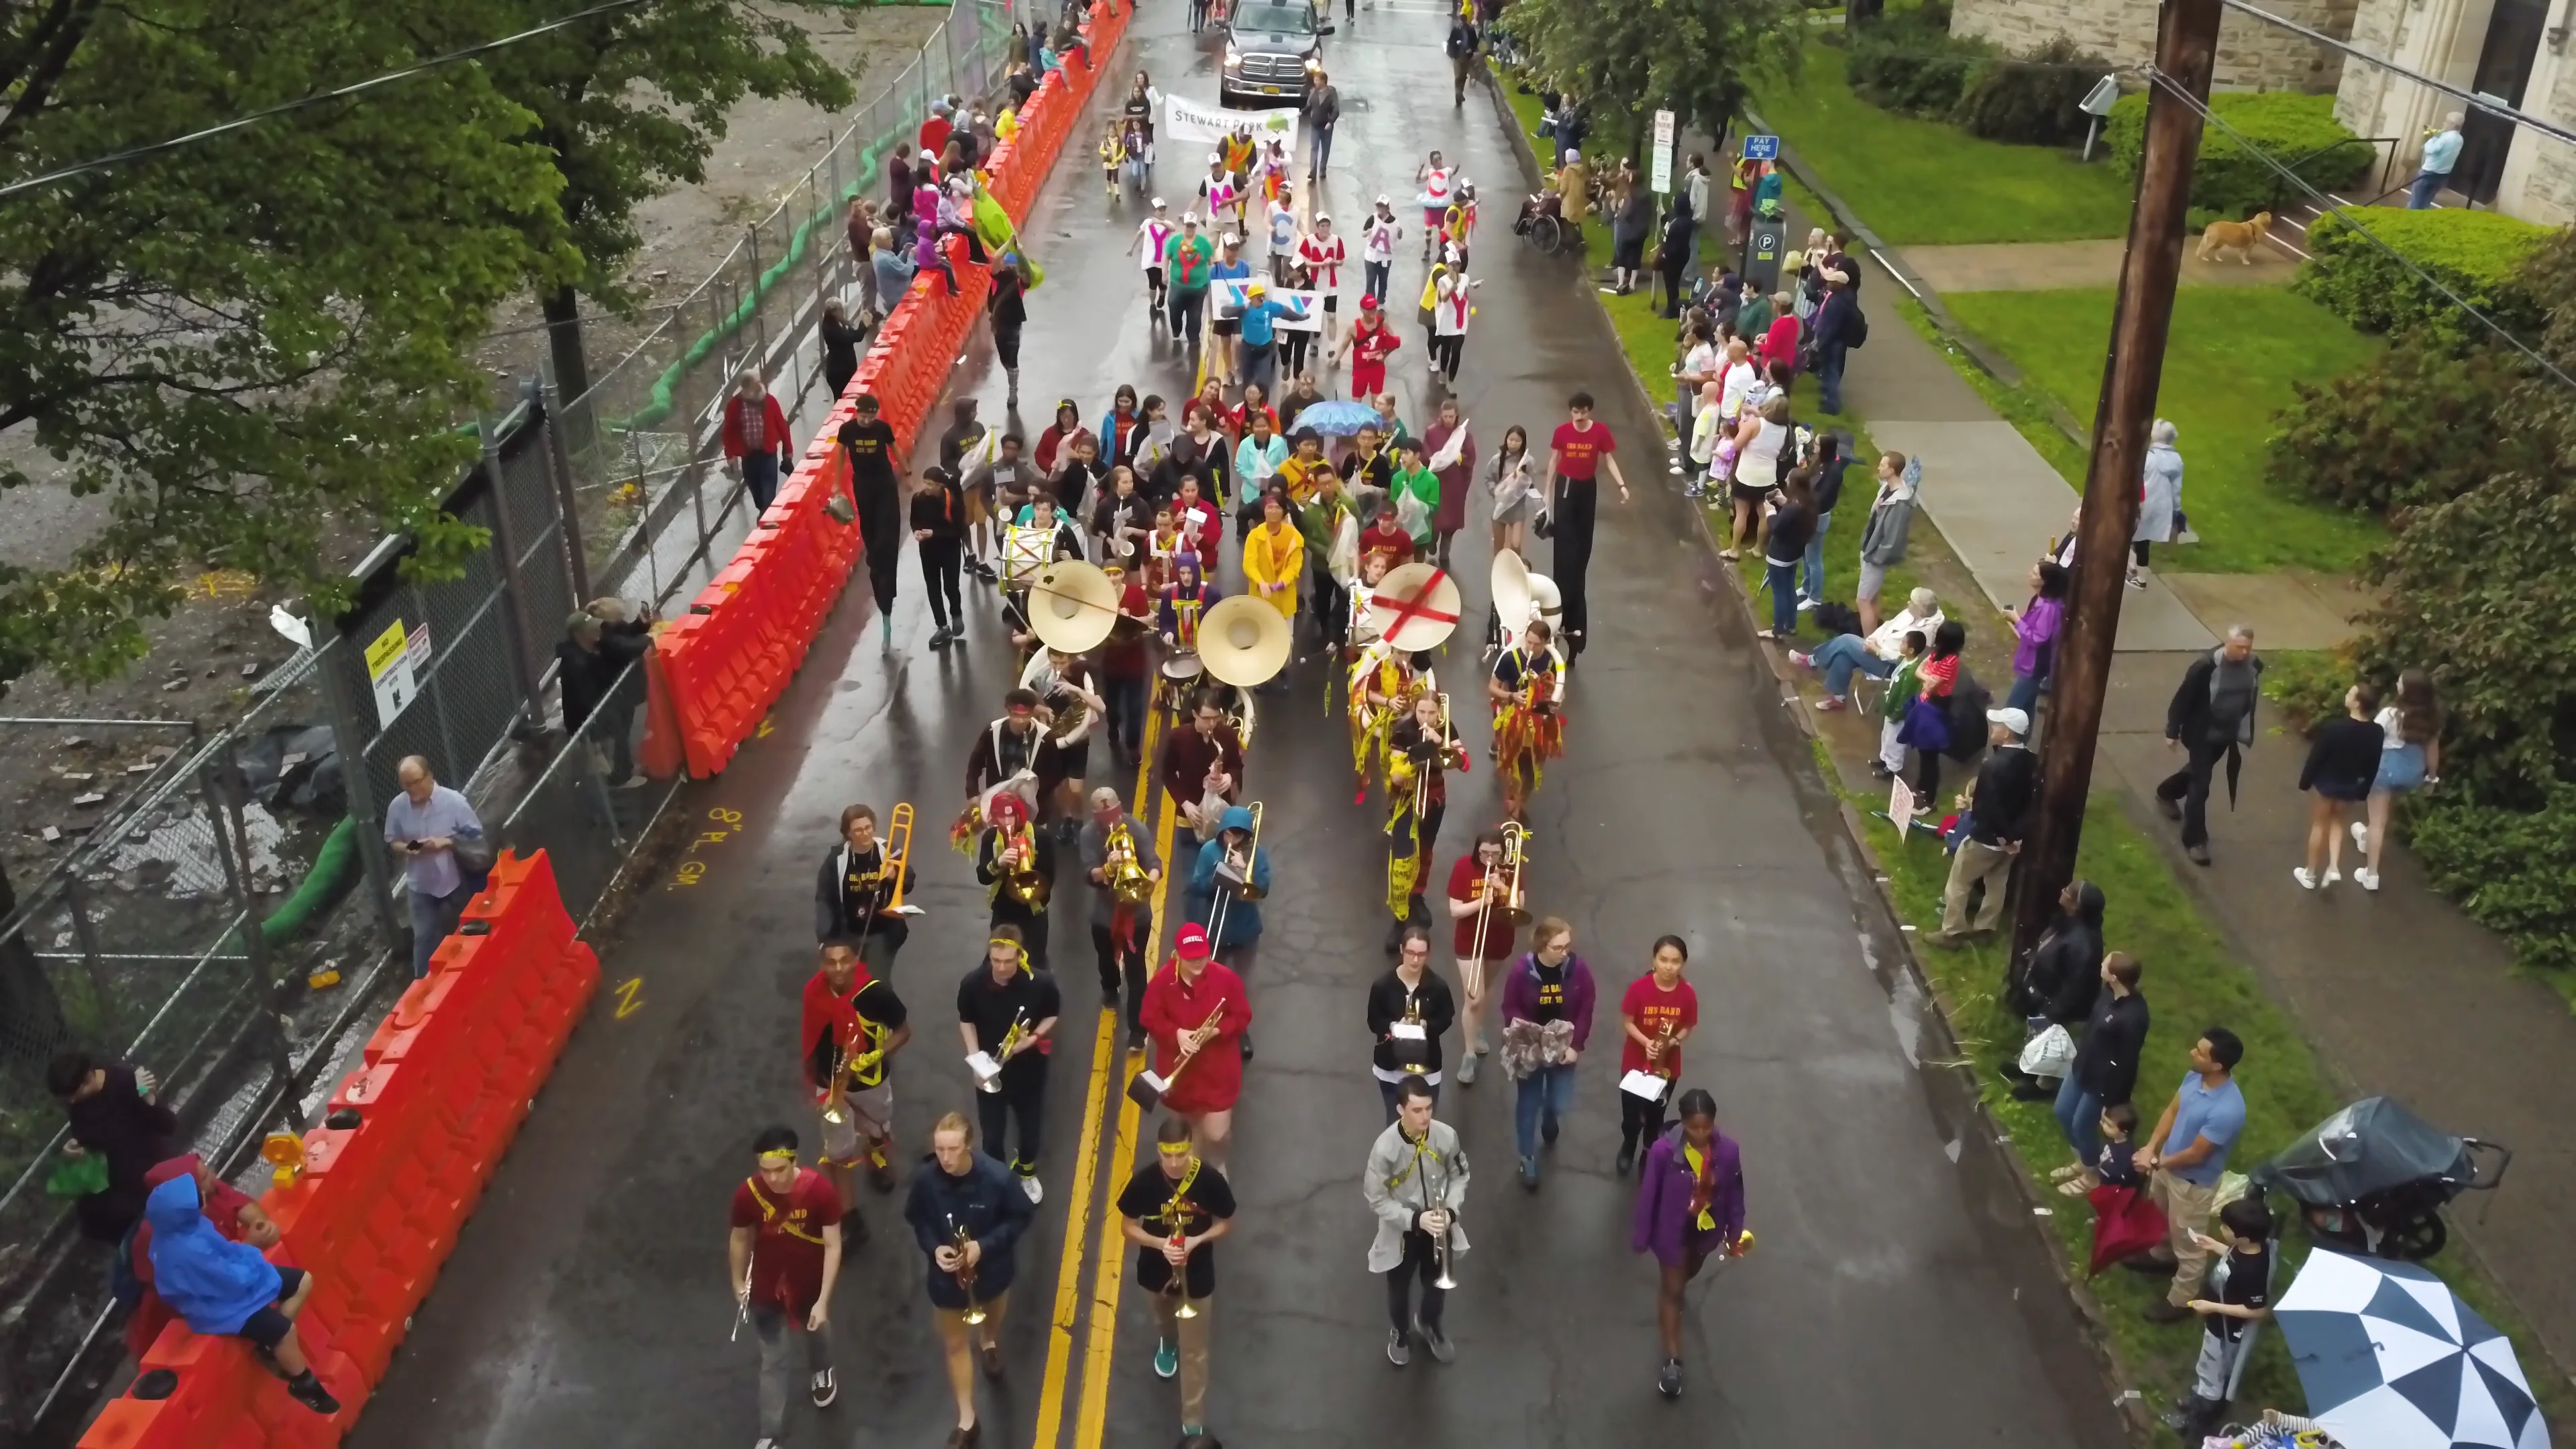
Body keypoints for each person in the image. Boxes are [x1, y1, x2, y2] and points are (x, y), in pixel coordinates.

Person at [142, 1174, 341, 1413]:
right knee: (284, 1331)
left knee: (303, 1281)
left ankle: (270, 1348)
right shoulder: (190, 1250)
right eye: (198, 1198)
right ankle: (304, 1383)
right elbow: (231, 1279)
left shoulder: (187, 1228)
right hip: (220, 1307)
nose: (205, 1196)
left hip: (234, 1284)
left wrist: (247, 1256)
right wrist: (253, 1253)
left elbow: (225, 1259)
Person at [904, 1112, 1035, 1448]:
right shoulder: (925, 1180)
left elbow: (1021, 1217)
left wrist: (984, 1246)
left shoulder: (998, 1178)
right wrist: (934, 1249)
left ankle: (989, 1341)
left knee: (993, 1314)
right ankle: (967, 1419)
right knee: (954, 1344)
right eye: (939, 1149)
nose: (945, 1158)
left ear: (969, 1146)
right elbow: (918, 1221)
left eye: (953, 1149)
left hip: (991, 1271)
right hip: (947, 1281)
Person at [1117, 1116, 1238, 1440]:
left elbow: (1227, 1222)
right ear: (1158, 1151)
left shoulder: (1210, 1181)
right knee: (1162, 1319)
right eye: (1167, 1155)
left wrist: (1198, 1240)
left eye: (1180, 1154)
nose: (1173, 1163)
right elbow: (1127, 1225)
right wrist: (1160, 1244)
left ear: (1191, 1149)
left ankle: (1193, 1417)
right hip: (1155, 1270)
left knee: (1195, 1351)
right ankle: (1167, 1341)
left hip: (1196, 1275)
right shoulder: (1144, 1182)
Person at [729, 1126, 846, 1447]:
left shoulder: (820, 1191)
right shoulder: (748, 1194)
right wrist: (738, 1281)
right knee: (773, 1361)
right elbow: (739, 1238)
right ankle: (770, 1433)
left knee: (818, 1331)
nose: (772, 1179)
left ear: (794, 1160)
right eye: (765, 1171)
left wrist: (823, 1300)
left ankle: (822, 1370)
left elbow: (833, 1245)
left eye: (779, 1170)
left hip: (809, 1285)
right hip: (767, 1290)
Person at [1629, 1088, 1746, 1399]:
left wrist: (1735, 1232)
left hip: (1704, 1233)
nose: (1701, 1134)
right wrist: (1641, 1236)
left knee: (1688, 1273)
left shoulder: (1728, 1152)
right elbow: (1648, 1196)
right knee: (1673, 1290)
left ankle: (1676, 1289)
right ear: (1682, 1124)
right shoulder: (1663, 1152)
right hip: (1671, 1232)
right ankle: (1672, 1361)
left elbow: (1735, 1192)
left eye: (1706, 1127)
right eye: (1694, 1127)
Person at [2132, 1027, 2249, 1323]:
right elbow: (2173, 1111)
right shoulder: (2194, 1078)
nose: (2191, 1054)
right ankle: (2161, 1256)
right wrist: (2151, 1147)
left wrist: (2158, 1163)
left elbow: (2198, 1154)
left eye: (2199, 1053)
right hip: (2167, 1167)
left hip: (2191, 1184)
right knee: (2160, 1217)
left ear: (2218, 1065)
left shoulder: (2228, 1110)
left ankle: (2181, 1301)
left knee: (2191, 1245)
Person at [801, 938, 911, 1218]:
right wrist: (816, 1080)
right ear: (822, 964)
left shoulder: (877, 994)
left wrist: (877, 1055)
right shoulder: (814, 994)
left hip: (870, 1081)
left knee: (878, 1125)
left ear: (856, 960)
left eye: (844, 960)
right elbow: (811, 1037)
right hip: (831, 1084)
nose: (838, 969)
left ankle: (877, 1159)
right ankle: (848, 1213)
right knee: (839, 1150)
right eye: (831, 962)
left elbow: (903, 1031)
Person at [1363, 1076, 1468, 1368]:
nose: (1425, 1117)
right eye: (1417, 1110)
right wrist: (1414, 1220)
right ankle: (1400, 1332)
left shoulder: (1446, 1136)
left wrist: (1450, 1211)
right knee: (1399, 1288)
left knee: (1437, 1286)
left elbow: (1460, 1174)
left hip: (1439, 1224)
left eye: (1429, 1109)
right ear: (1400, 1109)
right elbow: (1377, 1199)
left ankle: (1430, 1323)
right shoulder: (1384, 1149)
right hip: (1403, 1233)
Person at [957, 927, 1061, 1202]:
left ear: (1020, 954)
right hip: (990, 1071)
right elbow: (966, 1021)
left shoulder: (1041, 983)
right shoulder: (972, 984)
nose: (1002, 968)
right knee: (991, 1137)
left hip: (1029, 1071)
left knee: (1030, 1134)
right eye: (996, 960)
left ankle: (1026, 1170)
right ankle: (997, 1180)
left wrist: (1033, 1038)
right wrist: (976, 1059)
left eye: (1009, 961)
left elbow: (1052, 1015)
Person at [1140, 923, 1252, 1163]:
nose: (1199, 962)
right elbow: (1149, 1017)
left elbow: (1242, 1016)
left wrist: (1216, 1031)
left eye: (1202, 956)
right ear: (1178, 955)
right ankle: (1195, 1169)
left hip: (1217, 1071)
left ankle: (1217, 1164)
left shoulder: (1226, 979)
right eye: (1191, 958)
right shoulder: (1162, 983)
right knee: (1188, 1128)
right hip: (1181, 1073)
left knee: (1217, 1134)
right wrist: (1177, 1033)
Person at [1499, 916, 1595, 1189]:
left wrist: (1576, 1046)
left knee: (1558, 1102)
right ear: (1542, 945)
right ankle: (1527, 1156)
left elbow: (1586, 1007)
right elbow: (1510, 1007)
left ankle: (1550, 1116)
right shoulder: (1521, 972)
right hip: (1531, 1049)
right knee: (1528, 1103)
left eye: (1567, 946)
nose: (1565, 953)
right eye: (1558, 947)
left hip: (1563, 1048)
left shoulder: (1578, 970)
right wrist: (1528, 1035)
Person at [2155, 627, 2263, 867]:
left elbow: (2249, 697)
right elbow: (2182, 699)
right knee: (2201, 785)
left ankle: (2167, 792)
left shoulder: (2255, 666)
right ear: (2227, 643)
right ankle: (2195, 841)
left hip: (2226, 733)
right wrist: (2172, 731)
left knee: (2196, 771)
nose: (2244, 653)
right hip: (2201, 733)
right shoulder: (2205, 667)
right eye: (2239, 647)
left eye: (2248, 647)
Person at [1931, 707, 2037, 945]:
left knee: (1959, 882)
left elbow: (1986, 808)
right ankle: (1985, 929)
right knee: (1997, 883)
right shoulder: (2031, 760)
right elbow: (2032, 802)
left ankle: (1953, 932)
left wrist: (2004, 838)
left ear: (2008, 733)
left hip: (1989, 838)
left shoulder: (1994, 767)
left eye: (1998, 725)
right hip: (2015, 839)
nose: (1993, 728)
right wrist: (2016, 838)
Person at [2172, 1197, 2275, 1440]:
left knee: (2213, 1368)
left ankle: (2201, 1417)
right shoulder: (2245, 1249)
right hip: (2216, 1324)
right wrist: (2216, 1246)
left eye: (2226, 1229)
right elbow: (2234, 1260)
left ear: (2244, 1238)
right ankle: (2201, 1394)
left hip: (2226, 1330)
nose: (2221, 1229)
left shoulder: (2253, 1271)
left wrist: (2212, 1306)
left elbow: (2257, 1310)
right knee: (2206, 1365)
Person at [48, 1051, 178, 1242]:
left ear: (88, 1078)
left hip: (155, 1175)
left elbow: (167, 1125)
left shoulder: (125, 1082)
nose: (72, 1102)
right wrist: (75, 1152)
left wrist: (148, 1100)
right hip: (124, 1191)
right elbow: (90, 1143)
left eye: (74, 1095)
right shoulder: (79, 1107)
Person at [2004, 879, 2106, 1105]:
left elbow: (2076, 985)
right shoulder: (2069, 923)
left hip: (2058, 1003)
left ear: (2078, 906)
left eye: (2069, 892)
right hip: (2044, 994)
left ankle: (2043, 1086)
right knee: (2035, 1034)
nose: (2063, 890)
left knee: (2051, 1042)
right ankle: (2028, 1068)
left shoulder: (2083, 945)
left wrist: (2055, 1011)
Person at [385, 755, 486, 979]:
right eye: (406, 784)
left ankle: (480, 969)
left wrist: (448, 842)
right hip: (420, 883)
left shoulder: (454, 802)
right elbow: (394, 841)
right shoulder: (398, 807)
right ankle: (422, 986)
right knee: (424, 936)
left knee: (471, 924)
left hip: (453, 877)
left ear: (430, 776)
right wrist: (411, 848)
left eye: (417, 781)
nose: (412, 789)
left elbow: (476, 836)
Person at [1542, 392, 1628, 653]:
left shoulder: (1600, 432)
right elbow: (1554, 460)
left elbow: (1609, 459)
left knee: (1584, 540)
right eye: (1575, 412)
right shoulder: (1563, 432)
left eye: (1583, 412)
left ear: (1590, 412)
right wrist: (1547, 492)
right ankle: (1564, 584)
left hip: (1587, 487)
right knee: (1566, 539)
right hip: (1566, 486)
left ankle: (1577, 578)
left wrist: (1622, 485)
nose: (1579, 417)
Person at [1080, 787, 1164, 1044]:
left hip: (1135, 912)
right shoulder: (1088, 834)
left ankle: (1138, 1031)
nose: (1111, 821)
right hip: (1105, 911)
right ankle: (1109, 984)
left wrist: (1147, 884)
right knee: (1105, 956)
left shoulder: (1136, 828)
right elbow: (1088, 872)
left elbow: (1154, 862)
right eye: (1103, 817)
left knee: (1137, 969)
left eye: (1114, 814)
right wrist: (1107, 867)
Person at [2052, 951, 2147, 1175]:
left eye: (2106, 964)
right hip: (2082, 1066)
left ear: (2114, 976)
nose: (2101, 964)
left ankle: (2091, 1172)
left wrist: (2114, 1098)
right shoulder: (2107, 993)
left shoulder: (2135, 1017)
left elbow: (2127, 1060)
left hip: (2102, 1082)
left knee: (2082, 1125)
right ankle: (2083, 1160)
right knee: (2062, 1111)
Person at [2352, 669, 2442, 892]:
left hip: (2383, 772)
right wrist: (2431, 777)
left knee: (2378, 822)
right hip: (2411, 774)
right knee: (2384, 817)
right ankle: (2365, 838)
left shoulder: (2390, 714)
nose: (2397, 684)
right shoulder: (2432, 718)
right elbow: (2433, 749)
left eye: (2400, 682)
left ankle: (2371, 874)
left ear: (2407, 690)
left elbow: (2371, 740)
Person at [1615, 935, 1698, 1175]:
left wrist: (1670, 1043)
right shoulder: (1639, 989)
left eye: (1676, 961)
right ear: (1654, 960)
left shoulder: (1687, 994)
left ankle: (1648, 1154)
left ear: (1683, 964)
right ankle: (1629, 1145)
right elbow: (1628, 1022)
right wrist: (1647, 1042)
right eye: (1664, 960)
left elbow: (1687, 1028)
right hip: (1635, 1064)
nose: (1669, 966)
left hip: (1666, 1069)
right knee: (1631, 1114)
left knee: (1655, 1115)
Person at [1793, 585, 1941, 712]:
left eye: (1913, 602)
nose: (1908, 602)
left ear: (1921, 611)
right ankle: (1838, 698)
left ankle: (1813, 661)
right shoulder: (1911, 613)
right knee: (1844, 654)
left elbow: (1907, 660)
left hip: (1889, 666)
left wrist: (1878, 652)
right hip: (1875, 648)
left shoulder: (1925, 634)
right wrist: (1872, 640)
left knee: (1846, 641)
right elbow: (1887, 626)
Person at [2295, 683, 2383, 891]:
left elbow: (2316, 757)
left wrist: (2305, 781)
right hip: (2350, 786)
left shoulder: (2334, 728)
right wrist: (2364, 790)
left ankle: (2310, 873)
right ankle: (2333, 867)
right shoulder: (2376, 732)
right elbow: (2374, 764)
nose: (2347, 695)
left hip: (2325, 784)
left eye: (2351, 694)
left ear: (2357, 703)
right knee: (2338, 824)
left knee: (2319, 825)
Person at [1444, 829, 1517, 1083]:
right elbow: (1455, 910)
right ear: (1477, 849)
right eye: (1484, 852)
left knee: (1485, 989)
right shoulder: (1463, 867)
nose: (1489, 858)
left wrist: (1503, 890)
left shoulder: (1511, 869)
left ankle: (1477, 1029)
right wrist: (1482, 902)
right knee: (1474, 998)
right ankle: (1468, 1054)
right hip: (1469, 941)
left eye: (1495, 854)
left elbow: (1518, 905)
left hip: (1499, 939)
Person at [555, 601, 653, 784]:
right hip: (589, 719)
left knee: (622, 724)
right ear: (580, 634)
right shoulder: (575, 663)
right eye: (592, 629)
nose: (599, 631)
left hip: (602, 707)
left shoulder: (589, 649)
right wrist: (607, 706)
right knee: (619, 730)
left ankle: (619, 772)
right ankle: (620, 779)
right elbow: (583, 698)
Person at [1368, 927, 1458, 1120]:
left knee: (1424, 1121)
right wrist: (1393, 1027)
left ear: (1428, 954)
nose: (1416, 960)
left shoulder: (1438, 987)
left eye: (1421, 954)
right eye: (1411, 953)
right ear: (1402, 950)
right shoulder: (1383, 986)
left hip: (1427, 1065)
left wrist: (1426, 1026)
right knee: (1395, 1120)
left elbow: (1446, 1019)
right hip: (1390, 1066)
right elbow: (1374, 1021)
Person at [840, 392, 907, 648]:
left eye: (871, 414)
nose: (867, 419)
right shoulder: (847, 431)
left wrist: (907, 472)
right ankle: (876, 562)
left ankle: (887, 585)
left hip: (884, 482)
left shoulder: (882, 429)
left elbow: (895, 450)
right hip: (863, 484)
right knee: (869, 529)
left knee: (886, 534)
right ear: (857, 412)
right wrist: (837, 487)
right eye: (863, 414)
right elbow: (839, 456)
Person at [813, 802, 917, 969]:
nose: (865, 834)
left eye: (868, 827)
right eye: (858, 830)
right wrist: (825, 938)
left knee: (876, 982)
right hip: (848, 934)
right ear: (848, 834)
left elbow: (908, 884)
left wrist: (896, 876)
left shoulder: (889, 850)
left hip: (883, 933)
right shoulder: (836, 859)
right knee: (849, 983)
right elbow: (824, 898)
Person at [1187, 806, 1271, 995]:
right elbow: (1196, 887)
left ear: (1246, 836)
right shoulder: (1209, 851)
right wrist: (1218, 874)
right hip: (1217, 928)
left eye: (1237, 837)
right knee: (1211, 980)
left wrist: (1243, 870)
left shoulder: (1256, 853)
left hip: (1246, 930)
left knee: (1240, 982)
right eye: (1227, 835)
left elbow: (1263, 889)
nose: (1231, 841)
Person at [1489, 619, 1567, 821]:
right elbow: (1492, 687)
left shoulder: (1552, 662)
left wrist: (1556, 700)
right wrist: (1512, 696)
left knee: (1532, 770)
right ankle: (1513, 803)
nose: (1531, 647)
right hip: (1514, 720)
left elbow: (1560, 690)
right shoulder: (1510, 658)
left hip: (1539, 723)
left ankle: (1519, 802)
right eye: (1528, 642)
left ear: (1546, 642)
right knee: (1512, 763)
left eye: (1536, 644)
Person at [975, 792, 1059, 971]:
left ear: (1020, 815)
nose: (1008, 822)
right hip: (1003, 910)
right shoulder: (990, 837)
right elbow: (983, 877)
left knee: (1035, 966)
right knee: (998, 963)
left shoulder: (1041, 837)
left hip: (1033, 910)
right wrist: (998, 863)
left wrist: (1025, 866)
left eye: (1012, 816)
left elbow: (1050, 878)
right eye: (1002, 817)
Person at [1160, 692, 1245, 841]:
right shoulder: (1178, 737)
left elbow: (1237, 766)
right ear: (1195, 714)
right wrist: (1185, 804)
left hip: (1220, 817)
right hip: (1191, 818)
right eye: (1206, 719)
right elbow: (1168, 774)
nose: (1212, 724)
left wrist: (1229, 777)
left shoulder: (1228, 735)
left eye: (1215, 718)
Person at [1722, 394, 1790, 564]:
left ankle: (1735, 549)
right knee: (1764, 514)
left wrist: (1741, 426)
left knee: (1742, 514)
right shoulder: (1785, 429)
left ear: (1768, 407)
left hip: (1746, 474)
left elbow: (1736, 445)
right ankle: (1758, 548)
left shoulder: (1753, 424)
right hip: (1767, 477)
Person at [1856, 451, 1917, 635]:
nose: (1879, 468)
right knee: (1872, 597)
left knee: (1863, 600)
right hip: (1869, 548)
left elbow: (1893, 536)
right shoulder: (1887, 489)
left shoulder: (1899, 503)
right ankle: (1876, 636)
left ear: (1892, 470)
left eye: (1883, 466)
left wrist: (1877, 557)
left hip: (1875, 555)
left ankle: (1868, 643)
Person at [914, 463, 971, 649]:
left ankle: (956, 613)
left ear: (940, 485)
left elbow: (959, 530)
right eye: (925, 483)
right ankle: (942, 626)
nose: (927, 488)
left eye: (931, 484)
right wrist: (916, 532)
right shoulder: (918, 499)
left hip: (950, 549)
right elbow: (914, 520)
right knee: (933, 588)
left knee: (950, 587)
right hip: (928, 550)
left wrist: (935, 534)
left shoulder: (952, 502)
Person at [723, 367, 794, 513]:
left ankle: (765, 518)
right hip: (748, 458)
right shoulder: (734, 406)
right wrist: (730, 455)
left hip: (768, 455)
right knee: (757, 494)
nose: (760, 386)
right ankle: (764, 513)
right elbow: (728, 432)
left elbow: (782, 426)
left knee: (768, 497)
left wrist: (788, 450)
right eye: (756, 383)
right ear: (746, 386)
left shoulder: (770, 401)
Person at [1757, 465, 1815, 641]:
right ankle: (1790, 625)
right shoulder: (1807, 503)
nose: (1786, 482)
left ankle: (1777, 630)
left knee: (1779, 593)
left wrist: (1770, 514)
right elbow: (1792, 516)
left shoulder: (1792, 509)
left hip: (1779, 556)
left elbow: (1777, 529)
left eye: (1788, 480)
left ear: (1794, 484)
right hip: (1794, 554)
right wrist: (1783, 501)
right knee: (1789, 589)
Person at [2003, 561, 2068, 714]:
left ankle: (2012, 738)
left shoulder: (2049, 608)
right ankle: (2021, 737)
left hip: (2033, 666)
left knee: (2012, 710)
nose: (2029, 574)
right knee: (2026, 707)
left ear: (2044, 581)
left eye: (2034, 573)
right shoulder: (2040, 599)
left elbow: (2038, 638)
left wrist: (2017, 620)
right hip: (2030, 662)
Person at [1241, 490, 1303, 638]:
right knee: (1261, 639)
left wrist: (1283, 581)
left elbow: (1295, 565)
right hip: (1261, 597)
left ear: (1284, 511)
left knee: (1285, 640)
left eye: (1277, 507)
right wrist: (1261, 582)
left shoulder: (1294, 536)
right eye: (1270, 507)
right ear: (1264, 510)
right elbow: (1249, 564)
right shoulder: (1255, 536)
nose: (1273, 511)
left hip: (1284, 599)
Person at [2132, 419, 2183, 589]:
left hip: (2145, 502)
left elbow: (2136, 480)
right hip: (2163, 505)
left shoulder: (2148, 457)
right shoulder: (2176, 460)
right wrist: (2177, 509)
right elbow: (2177, 489)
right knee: (2144, 539)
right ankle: (2137, 568)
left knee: (2137, 538)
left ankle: (2140, 578)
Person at [1808, 269, 1861, 415]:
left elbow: (1831, 326)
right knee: (1828, 371)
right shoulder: (1844, 297)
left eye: (1831, 282)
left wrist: (1820, 343)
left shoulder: (1838, 302)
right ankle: (1827, 399)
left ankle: (1832, 405)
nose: (1828, 283)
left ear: (1839, 284)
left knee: (1831, 373)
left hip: (1832, 342)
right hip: (1836, 341)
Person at [1333, 293, 1402, 402]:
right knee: (1356, 400)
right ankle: (1356, 419)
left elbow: (1394, 342)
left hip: (1377, 368)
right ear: (1362, 310)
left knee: (1377, 401)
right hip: (1360, 369)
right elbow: (1343, 346)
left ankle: (1375, 419)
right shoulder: (1354, 328)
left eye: (1374, 308)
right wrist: (1335, 359)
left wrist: (1385, 355)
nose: (1373, 311)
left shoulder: (1382, 324)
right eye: (1369, 309)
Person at [1483, 424, 1534, 561]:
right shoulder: (1496, 460)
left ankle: (1516, 569)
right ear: (1506, 440)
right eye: (1511, 440)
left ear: (1523, 442)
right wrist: (1495, 491)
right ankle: (1500, 571)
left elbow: (1530, 483)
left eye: (1517, 441)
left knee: (1516, 545)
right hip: (1499, 508)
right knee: (1498, 548)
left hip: (1517, 508)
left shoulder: (1527, 462)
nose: (1513, 443)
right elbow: (1488, 479)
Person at [1165, 212, 1218, 346]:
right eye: (1188, 225)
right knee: (1175, 310)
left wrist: (1217, 277)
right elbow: (1166, 257)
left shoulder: (1203, 243)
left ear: (1195, 226)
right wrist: (1164, 273)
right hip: (1178, 285)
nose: (1190, 228)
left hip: (1198, 287)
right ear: (1184, 225)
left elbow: (1212, 260)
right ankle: (1176, 331)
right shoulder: (1175, 241)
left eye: (1192, 225)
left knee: (1195, 315)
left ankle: (1193, 338)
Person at [1130, 199, 1179, 331]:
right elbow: (1140, 234)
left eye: (1164, 209)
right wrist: (1132, 248)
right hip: (1150, 260)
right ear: (1154, 211)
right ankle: (1152, 304)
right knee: (1153, 283)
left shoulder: (1167, 224)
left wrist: (1161, 222)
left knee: (1162, 284)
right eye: (1159, 209)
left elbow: (1173, 229)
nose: (1162, 212)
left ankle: (1162, 295)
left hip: (1162, 261)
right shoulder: (1147, 223)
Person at [2408, 111, 2465, 209]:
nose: (2444, 123)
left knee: (2416, 200)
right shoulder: (2460, 139)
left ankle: (2410, 217)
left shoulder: (2446, 137)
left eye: (2447, 122)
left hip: (2428, 173)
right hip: (2442, 175)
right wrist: (2437, 135)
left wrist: (2431, 138)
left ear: (2454, 125)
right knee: (2426, 201)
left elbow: (2430, 150)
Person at [1428, 268, 1473, 384]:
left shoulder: (1465, 278)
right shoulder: (1443, 281)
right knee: (1446, 350)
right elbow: (1443, 297)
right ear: (1448, 266)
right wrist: (1451, 289)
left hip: (1460, 324)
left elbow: (1466, 292)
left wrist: (1473, 285)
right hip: (1447, 323)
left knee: (1456, 351)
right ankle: (1443, 372)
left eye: (1458, 263)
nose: (1455, 266)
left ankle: (1451, 380)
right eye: (1453, 264)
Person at [818, 297, 862, 405]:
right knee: (842, 401)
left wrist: (847, 323)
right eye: (841, 310)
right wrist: (864, 326)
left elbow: (854, 335)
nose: (843, 312)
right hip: (839, 371)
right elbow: (852, 338)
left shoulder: (838, 323)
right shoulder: (831, 328)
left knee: (845, 400)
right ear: (834, 312)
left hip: (844, 368)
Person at [1358, 199, 1401, 306]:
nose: (1379, 209)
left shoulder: (1395, 222)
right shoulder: (1373, 218)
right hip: (1371, 255)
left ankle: (1381, 301)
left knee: (1383, 280)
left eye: (1382, 206)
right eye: (1378, 206)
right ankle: (1370, 303)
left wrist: (1400, 232)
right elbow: (1363, 233)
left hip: (1386, 257)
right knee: (1371, 279)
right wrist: (1367, 232)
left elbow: (1399, 236)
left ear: (1387, 207)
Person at [1303, 70, 1340, 179]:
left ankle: (1323, 169)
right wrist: (1301, 112)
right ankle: (1313, 171)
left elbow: (1336, 110)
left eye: (1317, 80)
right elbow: (1309, 106)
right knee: (1314, 148)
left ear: (1324, 81)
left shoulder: (1331, 93)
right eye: (1314, 79)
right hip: (1315, 125)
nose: (1315, 82)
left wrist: (1331, 122)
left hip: (1326, 127)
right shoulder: (1313, 92)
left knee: (1325, 148)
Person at [1444, 12, 1479, 105]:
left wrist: (1471, 50)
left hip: (1466, 57)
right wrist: (1453, 54)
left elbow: (1475, 42)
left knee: (1463, 76)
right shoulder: (1456, 30)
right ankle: (1458, 94)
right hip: (1458, 56)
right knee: (1458, 76)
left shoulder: (1471, 30)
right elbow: (1451, 42)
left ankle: (1460, 92)